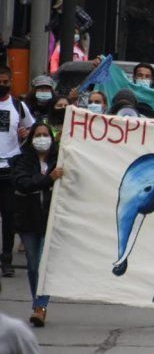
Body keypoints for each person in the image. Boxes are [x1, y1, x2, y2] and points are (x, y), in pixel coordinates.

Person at [12, 122, 61, 327]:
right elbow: (23, 182)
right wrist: (48, 179)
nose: (42, 138)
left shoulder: (60, 159)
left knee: (43, 265)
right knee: (33, 266)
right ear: (32, 139)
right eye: (38, 135)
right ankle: (37, 304)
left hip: (50, 222)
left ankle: (40, 307)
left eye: (45, 134)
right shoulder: (23, 160)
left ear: (52, 137)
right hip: (28, 222)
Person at [0, 66, 33, 277]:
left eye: (5, 81)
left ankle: (6, 259)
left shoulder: (18, 106)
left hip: (8, 169)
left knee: (9, 216)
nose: (2, 85)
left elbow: (32, 129)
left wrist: (25, 132)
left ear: (11, 82)